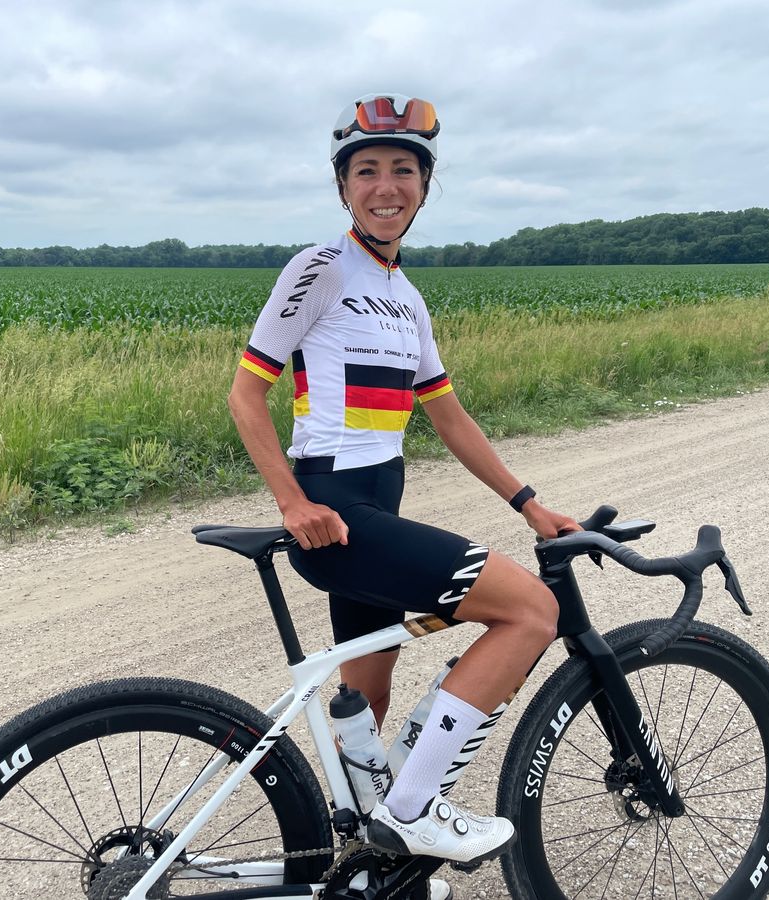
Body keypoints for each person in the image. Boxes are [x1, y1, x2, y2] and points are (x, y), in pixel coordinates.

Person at [228, 93, 577, 874]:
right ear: (344, 187)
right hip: (338, 515)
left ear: (423, 186)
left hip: (374, 507)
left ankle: (361, 853)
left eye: (402, 171)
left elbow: (448, 417)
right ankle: (413, 813)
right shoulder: (321, 269)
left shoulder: (405, 297)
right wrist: (293, 501)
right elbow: (246, 394)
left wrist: (528, 503)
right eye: (367, 171)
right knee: (531, 610)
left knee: (367, 702)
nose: (385, 186)